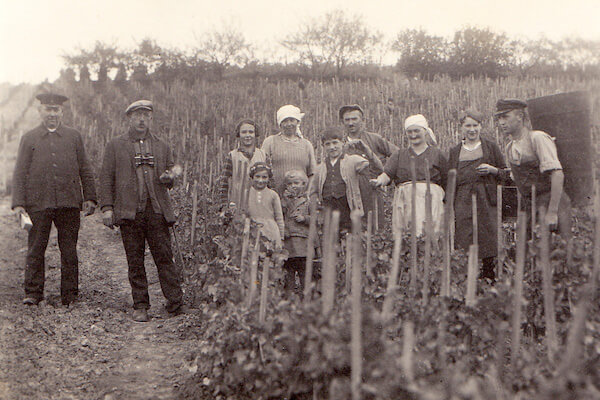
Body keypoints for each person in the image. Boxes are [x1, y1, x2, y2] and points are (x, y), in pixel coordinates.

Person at [99, 100, 183, 322]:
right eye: (137, 115)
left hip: (156, 211)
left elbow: (173, 169)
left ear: (151, 119)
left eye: (146, 115)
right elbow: (106, 178)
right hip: (130, 212)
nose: (142, 119)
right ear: (129, 118)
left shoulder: (162, 145)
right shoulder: (115, 145)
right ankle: (141, 305)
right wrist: (107, 208)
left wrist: (170, 176)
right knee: (134, 260)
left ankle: (175, 303)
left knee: (164, 257)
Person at [11, 93, 97, 306]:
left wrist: (90, 197)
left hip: (68, 202)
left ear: (62, 112)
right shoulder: (29, 138)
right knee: (36, 248)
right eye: (47, 109)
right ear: (40, 111)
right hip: (38, 203)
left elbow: (85, 168)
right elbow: (20, 172)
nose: (52, 114)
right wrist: (19, 203)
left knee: (69, 249)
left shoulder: (73, 136)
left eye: (55, 109)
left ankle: (70, 295)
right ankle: (33, 292)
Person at [495, 98, 572, 257]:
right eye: (499, 118)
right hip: (530, 206)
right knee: (527, 252)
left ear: (520, 117)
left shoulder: (537, 138)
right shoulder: (510, 147)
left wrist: (552, 212)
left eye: (505, 116)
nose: (501, 122)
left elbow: (557, 174)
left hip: (550, 201)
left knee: (558, 253)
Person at [448, 110, 508, 280]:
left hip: (485, 196)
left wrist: (492, 170)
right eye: (468, 125)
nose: (472, 129)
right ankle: (467, 277)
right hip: (463, 197)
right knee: (464, 233)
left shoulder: (490, 147)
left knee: (487, 233)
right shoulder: (455, 151)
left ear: (481, 126)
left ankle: (489, 276)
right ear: (461, 128)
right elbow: (450, 179)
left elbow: (505, 173)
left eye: (475, 125)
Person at [371, 114, 447, 237]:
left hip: (431, 201)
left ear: (425, 131)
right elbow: (387, 174)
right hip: (405, 201)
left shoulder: (437, 154)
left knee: (431, 235)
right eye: (409, 132)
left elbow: (447, 180)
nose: (413, 135)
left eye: (417, 131)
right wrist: (379, 181)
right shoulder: (399, 154)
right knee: (406, 235)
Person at [339, 104, 397, 229]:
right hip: (348, 194)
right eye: (347, 120)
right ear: (342, 122)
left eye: (354, 119)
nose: (351, 123)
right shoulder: (339, 144)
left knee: (375, 227)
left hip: (372, 192)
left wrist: (385, 173)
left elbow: (397, 155)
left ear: (363, 120)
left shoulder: (374, 139)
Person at [309, 126, 371, 232]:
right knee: (331, 237)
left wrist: (365, 150)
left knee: (349, 235)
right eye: (327, 144)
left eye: (335, 143)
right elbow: (313, 191)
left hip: (346, 205)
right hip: (328, 207)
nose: (332, 147)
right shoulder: (320, 168)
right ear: (323, 146)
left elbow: (371, 165)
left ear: (343, 142)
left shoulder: (352, 161)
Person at [261, 105, 317, 193]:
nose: (289, 124)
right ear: (280, 123)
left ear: (297, 122)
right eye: (285, 121)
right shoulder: (270, 142)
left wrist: (308, 193)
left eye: (292, 120)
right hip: (276, 194)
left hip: (301, 197)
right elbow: (261, 168)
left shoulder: (306, 144)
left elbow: (313, 173)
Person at [217, 119, 268, 209]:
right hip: (237, 205)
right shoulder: (232, 156)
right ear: (238, 135)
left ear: (255, 134)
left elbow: (271, 183)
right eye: (244, 132)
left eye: (251, 132)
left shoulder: (263, 155)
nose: (248, 135)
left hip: (260, 206)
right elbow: (224, 184)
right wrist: (223, 207)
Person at [281, 170, 314, 294]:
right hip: (289, 241)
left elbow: (317, 219)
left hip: (302, 241)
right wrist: (285, 201)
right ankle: (289, 297)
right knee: (288, 271)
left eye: (296, 183)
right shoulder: (284, 201)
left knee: (304, 271)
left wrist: (304, 218)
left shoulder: (308, 201)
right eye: (289, 184)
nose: (293, 186)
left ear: (304, 184)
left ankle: (305, 297)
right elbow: (280, 216)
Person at [247, 162, 285, 250]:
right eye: (257, 176)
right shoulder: (246, 193)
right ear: (252, 177)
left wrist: (281, 237)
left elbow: (279, 218)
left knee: (269, 256)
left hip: (270, 231)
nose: (260, 180)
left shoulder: (273, 195)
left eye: (264, 177)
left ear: (268, 178)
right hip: (252, 231)